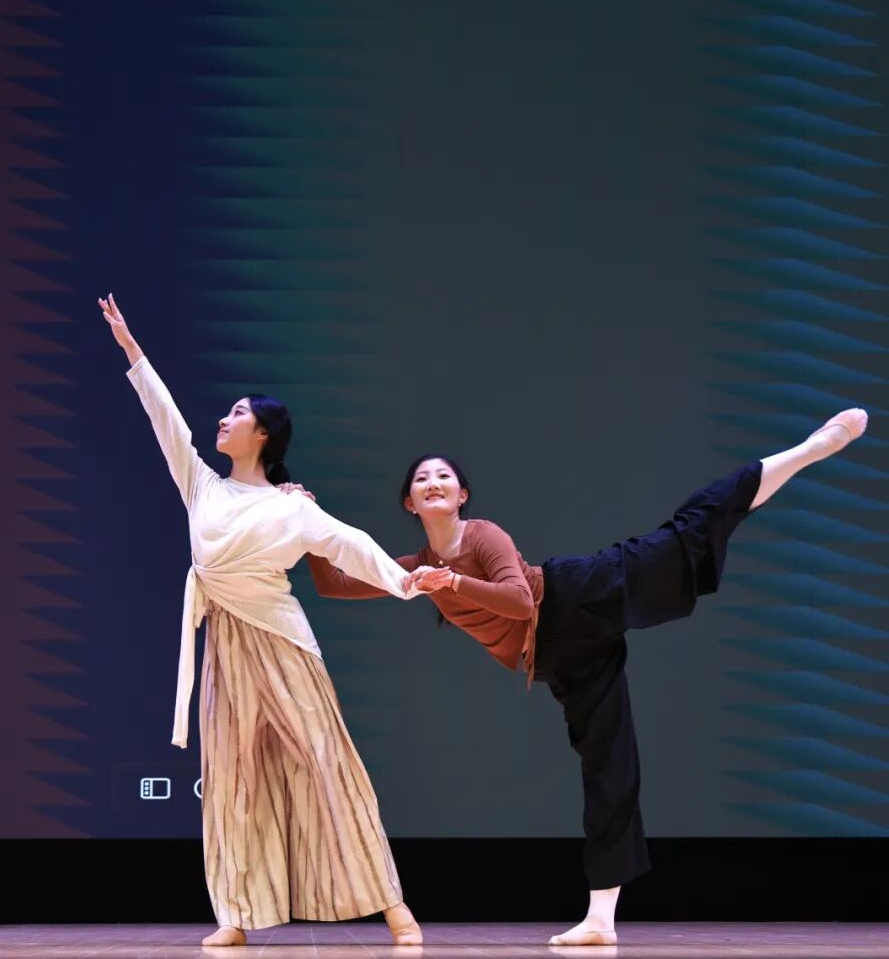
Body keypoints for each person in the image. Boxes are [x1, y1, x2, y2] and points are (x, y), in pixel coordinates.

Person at [295, 410, 868, 945]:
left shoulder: (483, 536)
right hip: (561, 660)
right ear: (410, 501)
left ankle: (805, 451)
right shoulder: (415, 568)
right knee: (608, 767)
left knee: (686, 533)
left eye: (444, 475)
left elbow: (520, 601)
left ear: (462, 494)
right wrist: (309, 524)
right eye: (422, 479)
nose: (433, 482)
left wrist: (455, 583)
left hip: (576, 597)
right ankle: (600, 920)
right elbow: (333, 585)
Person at [99, 294, 433, 947]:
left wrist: (404, 582)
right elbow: (165, 420)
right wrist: (132, 349)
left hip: (283, 645)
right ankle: (236, 915)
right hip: (225, 645)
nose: (223, 420)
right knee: (231, 781)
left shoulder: (291, 507)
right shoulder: (203, 485)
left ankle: (393, 906)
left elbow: (350, 544)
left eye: (237, 414)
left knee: (328, 763)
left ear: (263, 436)